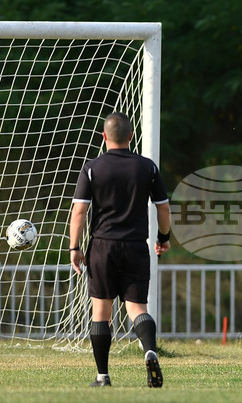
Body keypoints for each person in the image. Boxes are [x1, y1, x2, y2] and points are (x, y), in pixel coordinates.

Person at [69, 112, 172, 388]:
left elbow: (79, 211)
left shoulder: (92, 168)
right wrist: (164, 237)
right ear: (131, 136)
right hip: (136, 245)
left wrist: (74, 247)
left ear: (104, 136)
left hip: (102, 246)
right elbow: (163, 207)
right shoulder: (147, 167)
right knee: (137, 307)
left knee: (101, 311)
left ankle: (103, 376)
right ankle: (149, 350)